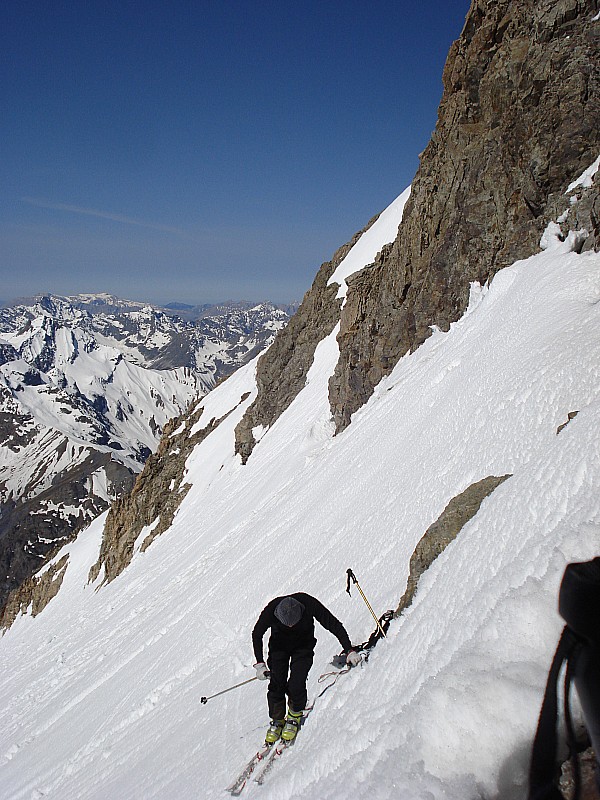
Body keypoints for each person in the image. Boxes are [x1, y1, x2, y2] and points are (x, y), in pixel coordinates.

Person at [252, 592, 361, 743]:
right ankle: (277, 720)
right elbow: (257, 634)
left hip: (303, 647)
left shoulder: (308, 603)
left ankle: (295, 714)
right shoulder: (271, 609)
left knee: (297, 682)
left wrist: (349, 650)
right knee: (277, 683)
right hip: (279, 648)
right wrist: (260, 664)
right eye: (287, 624)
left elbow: (332, 624)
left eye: (293, 624)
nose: (290, 626)